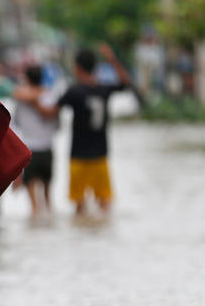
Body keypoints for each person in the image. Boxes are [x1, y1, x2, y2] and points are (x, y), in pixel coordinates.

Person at [27, 44, 133, 216]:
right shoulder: (103, 89)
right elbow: (125, 82)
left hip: (78, 157)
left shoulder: (74, 91)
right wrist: (112, 59)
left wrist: (33, 101)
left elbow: (50, 113)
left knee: (79, 207)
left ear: (77, 68)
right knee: (105, 205)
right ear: (95, 67)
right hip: (101, 156)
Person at [13, 65, 59, 217]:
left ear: (26, 78)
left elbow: (17, 123)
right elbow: (57, 124)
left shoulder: (20, 96)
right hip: (47, 148)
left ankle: (35, 232)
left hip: (29, 150)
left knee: (33, 206)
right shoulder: (50, 96)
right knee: (48, 200)